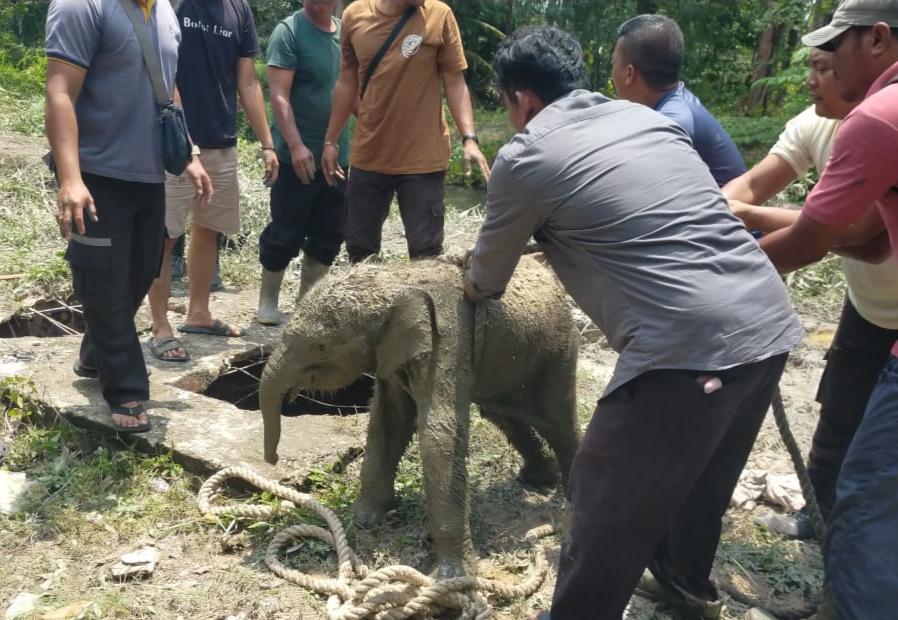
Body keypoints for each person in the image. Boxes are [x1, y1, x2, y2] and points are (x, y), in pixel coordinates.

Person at [464, 25, 803, 620]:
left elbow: (486, 280)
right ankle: (683, 582)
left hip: (688, 346)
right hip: (768, 320)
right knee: (702, 476)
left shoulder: (524, 157)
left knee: (602, 495)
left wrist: (470, 278)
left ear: (520, 99)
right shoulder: (650, 121)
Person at [742, 1, 898, 618]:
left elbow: (815, 239)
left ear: (880, 39)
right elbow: (879, 238)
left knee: (866, 499)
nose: (824, 66)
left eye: (837, 48)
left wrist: (717, 275)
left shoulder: (878, 119)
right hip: (876, 321)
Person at [45, 0, 211, 431]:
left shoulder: (165, 12)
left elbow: (167, 86)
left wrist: (188, 151)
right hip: (96, 173)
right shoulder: (82, 7)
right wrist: (70, 178)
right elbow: (60, 91)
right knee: (102, 277)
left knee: (140, 271)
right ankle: (126, 387)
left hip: (148, 172)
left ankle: (94, 352)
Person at [146, 0, 278, 360]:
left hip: (221, 139)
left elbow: (248, 81)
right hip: (173, 143)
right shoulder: (172, 4)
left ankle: (199, 313)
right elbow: (162, 72)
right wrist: (186, 145)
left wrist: (267, 143)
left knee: (209, 228)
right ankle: (160, 325)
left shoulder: (239, 9)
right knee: (165, 236)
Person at [320, 0, 491, 264]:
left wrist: (469, 138)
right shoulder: (355, 16)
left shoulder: (439, 15)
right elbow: (346, 81)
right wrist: (331, 140)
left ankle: (422, 306)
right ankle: (370, 307)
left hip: (423, 160)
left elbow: (455, 81)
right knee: (360, 251)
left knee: (426, 254)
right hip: (370, 155)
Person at [256, 0, 351, 326]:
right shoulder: (289, 32)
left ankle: (307, 304)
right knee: (286, 229)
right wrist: (295, 146)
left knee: (330, 232)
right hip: (295, 155)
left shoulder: (346, 34)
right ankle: (268, 302)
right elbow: (279, 95)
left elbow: (352, 90)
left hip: (338, 155)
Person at [611, 14, 746, 186]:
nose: (612, 71)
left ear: (629, 73)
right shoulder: (675, 104)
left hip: (725, 211)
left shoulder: (670, 124)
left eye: (613, 64)